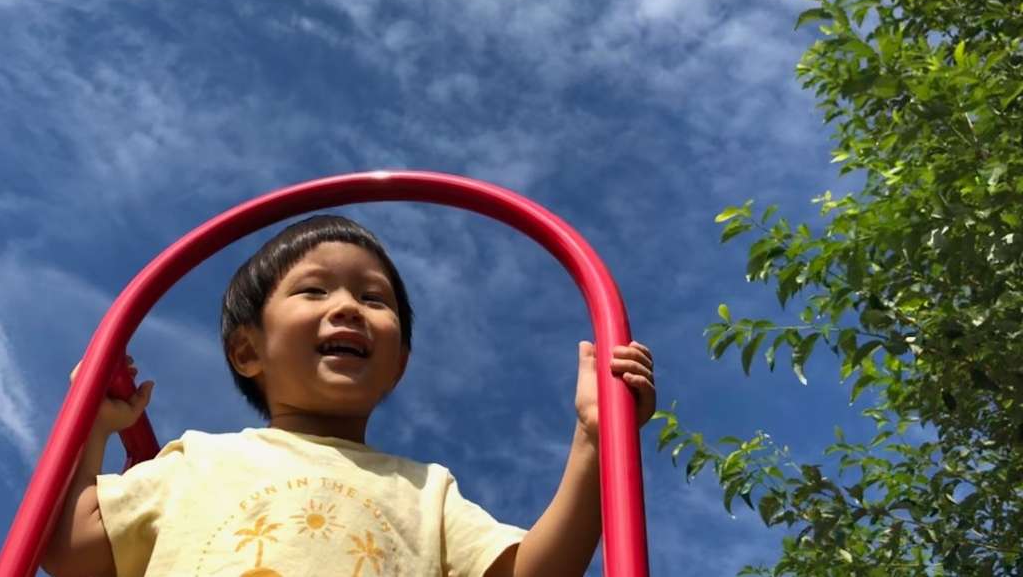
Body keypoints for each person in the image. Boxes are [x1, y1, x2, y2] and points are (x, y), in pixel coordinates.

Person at [41, 215, 656, 577]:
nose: (348, 308)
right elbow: (68, 549)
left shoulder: (425, 491)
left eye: (373, 299)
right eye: (314, 291)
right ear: (248, 351)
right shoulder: (198, 460)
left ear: (398, 365)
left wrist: (595, 441)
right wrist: (93, 425)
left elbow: (532, 573)